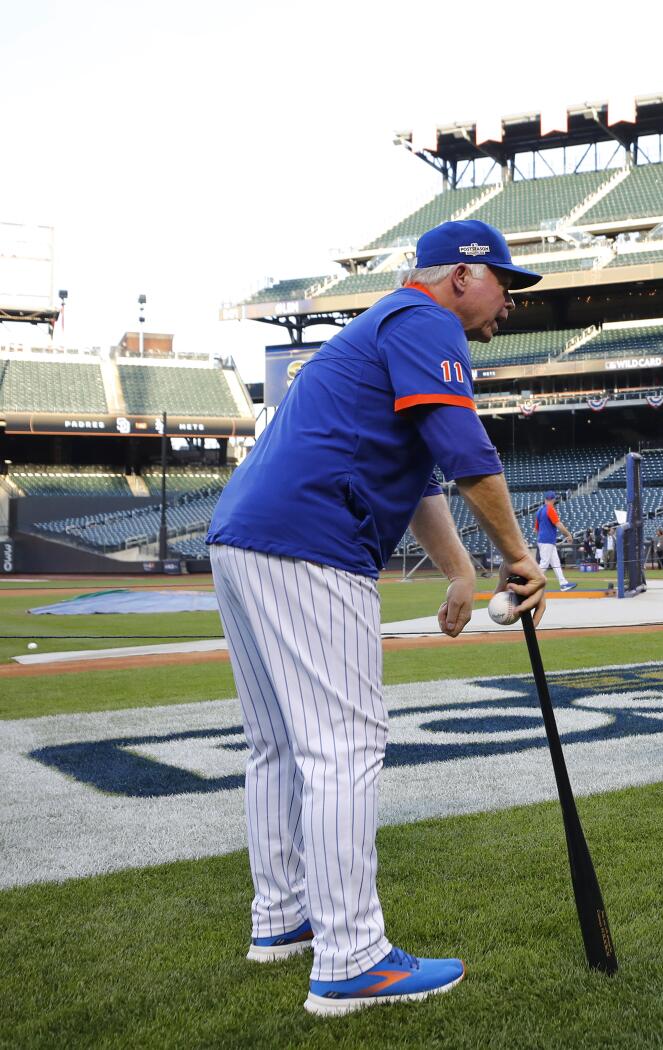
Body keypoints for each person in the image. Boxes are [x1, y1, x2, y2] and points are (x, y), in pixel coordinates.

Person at [205, 219, 546, 1015]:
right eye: (503, 282)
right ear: (461, 275)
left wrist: (462, 571)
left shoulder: (383, 325)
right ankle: (352, 957)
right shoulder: (425, 320)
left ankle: (281, 918)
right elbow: (466, 449)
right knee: (344, 745)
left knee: (279, 745)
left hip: (244, 536)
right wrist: (517, 558)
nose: (509, 304)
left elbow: (423, 477)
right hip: (312, 541)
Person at [534, 490, 578, 592]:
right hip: (547, 541)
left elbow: (536, 529)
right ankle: (531, 584)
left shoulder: (539, 511)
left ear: (545, 499)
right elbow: (558, 524)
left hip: (544, 540)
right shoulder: (550, 509)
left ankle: (563, 583)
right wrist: (568, 534)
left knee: (556, 563)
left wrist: (542, 538)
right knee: (544, 564)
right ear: (553, 499)